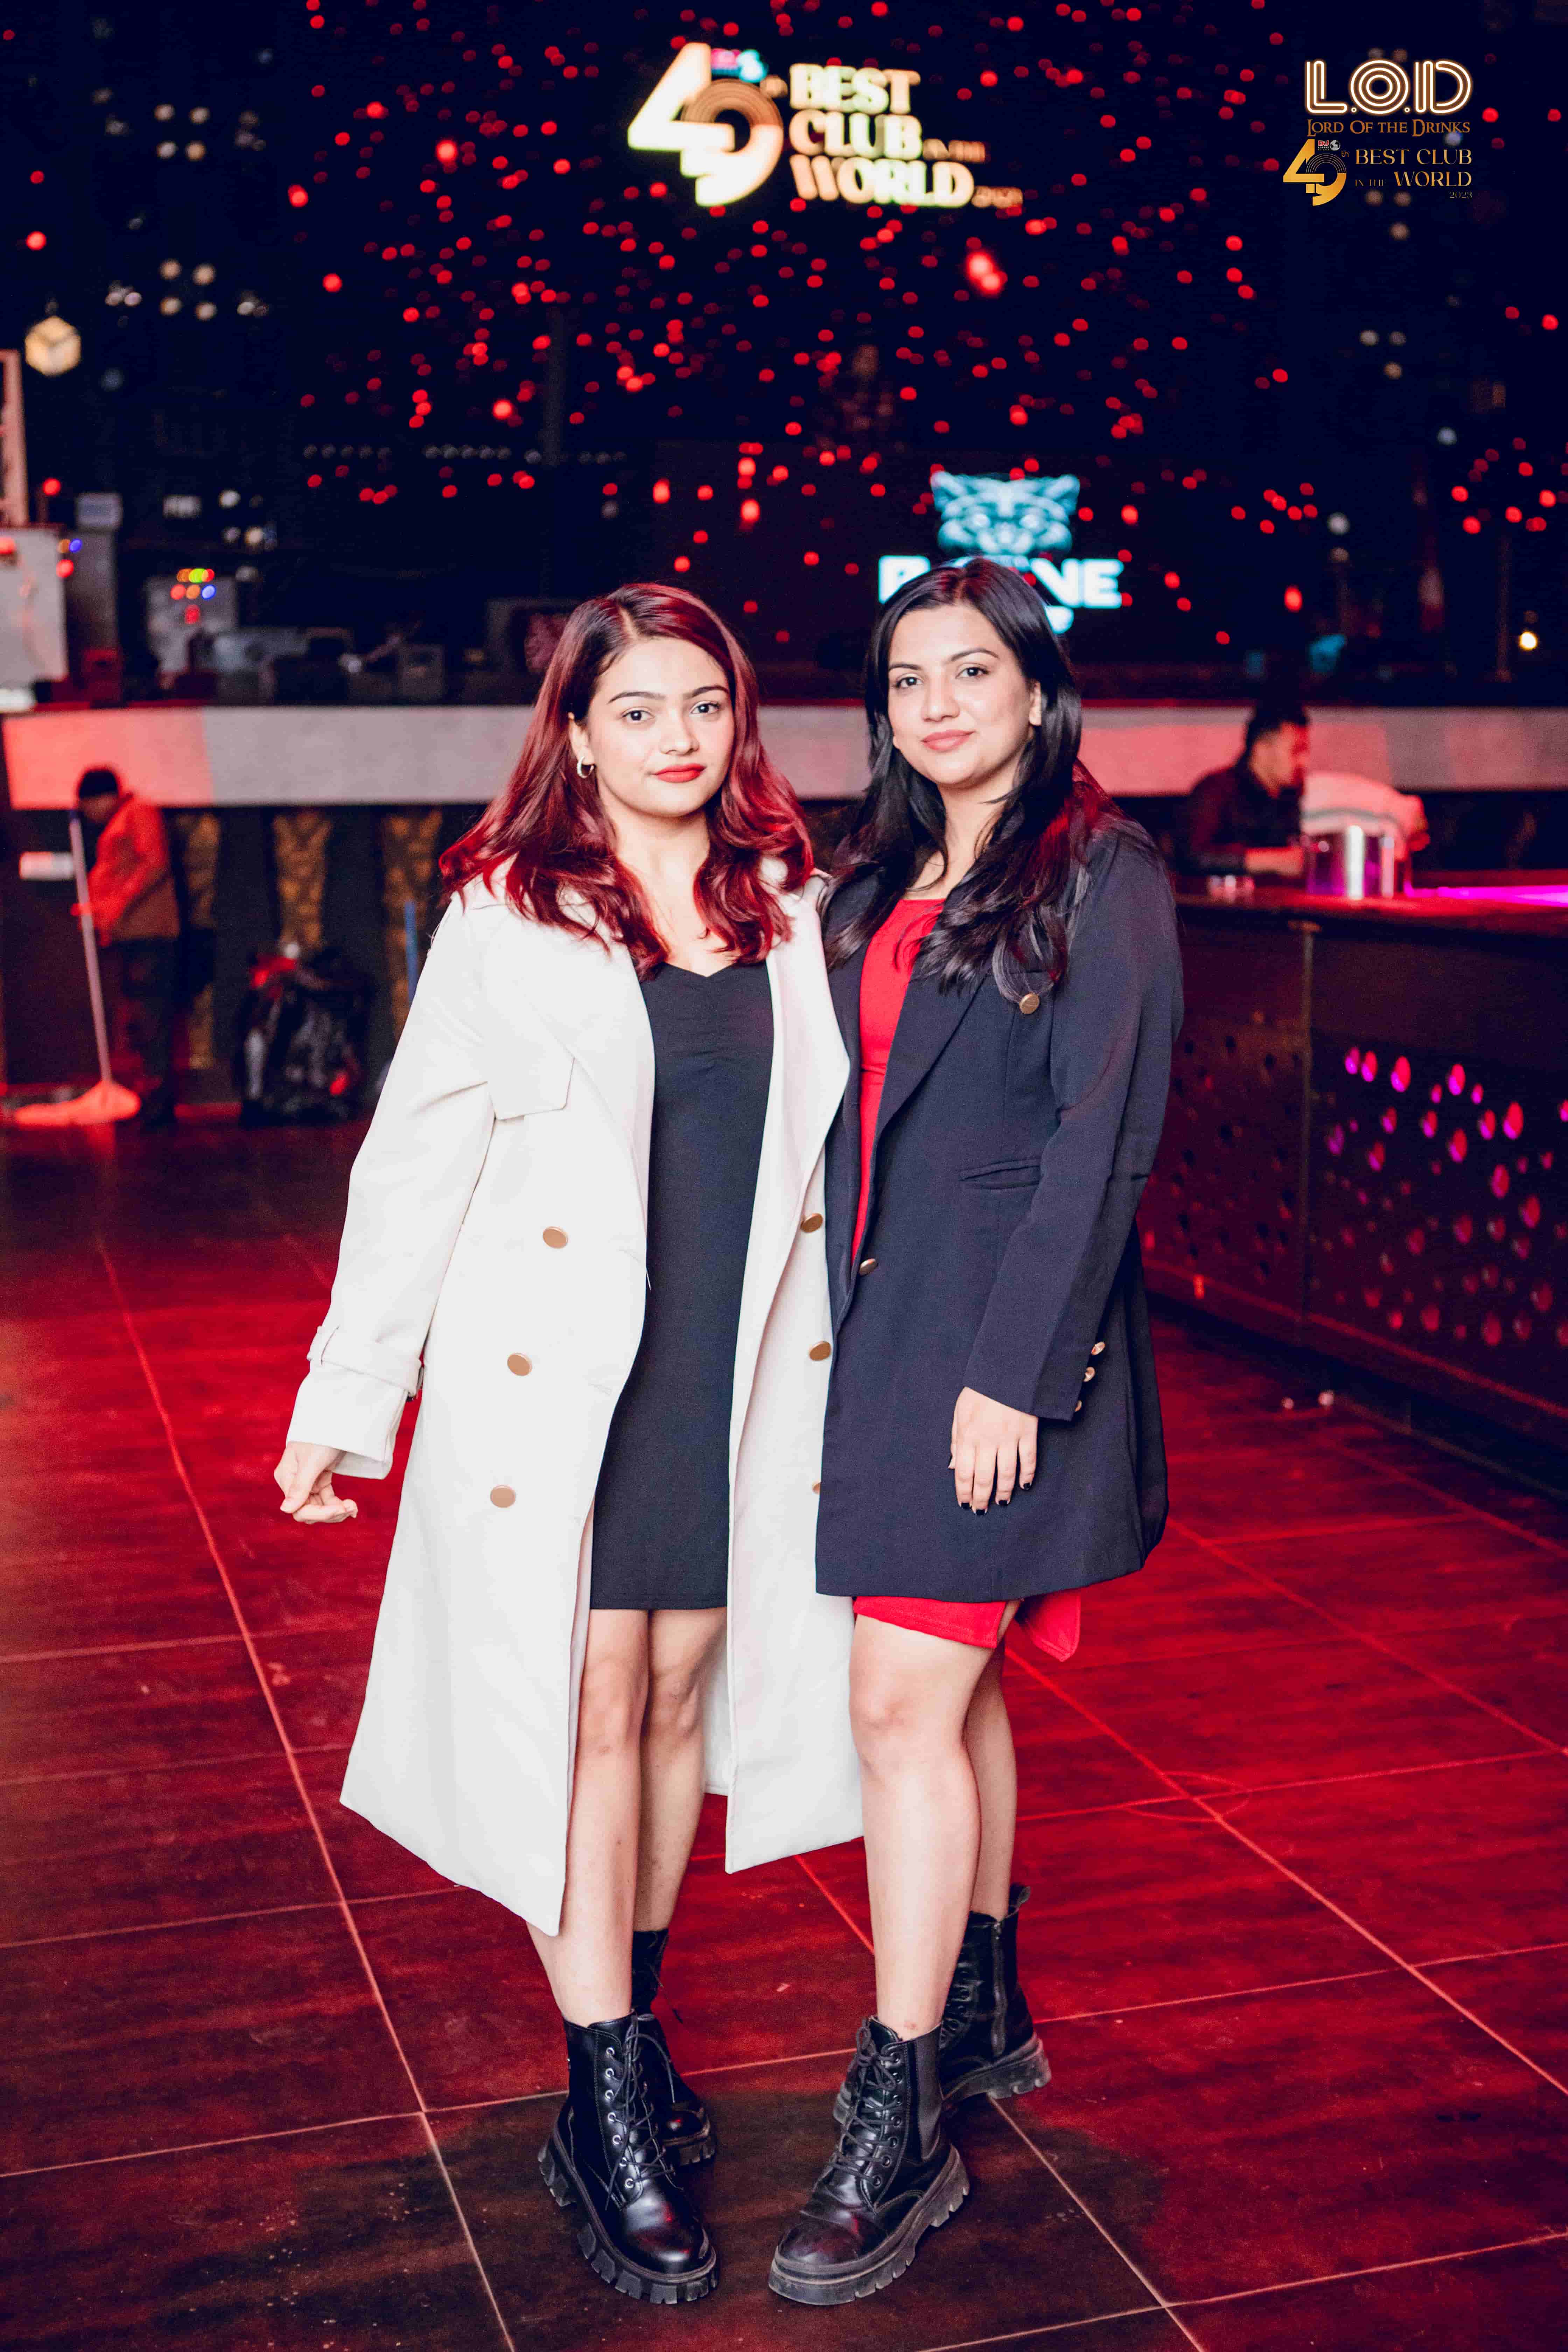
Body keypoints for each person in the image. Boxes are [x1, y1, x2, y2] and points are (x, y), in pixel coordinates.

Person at [272, 583, 858, 2308]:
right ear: (579, 738)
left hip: (732, 1369)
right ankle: (601, 2096)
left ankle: (634, 2019)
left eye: (705, 706)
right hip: (563, 1380)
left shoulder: (787, 900)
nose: (678, 739)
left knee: (678, 1698)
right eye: (639, 711)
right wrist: (348, 1395)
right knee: (588, 1709)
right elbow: (413, 1162)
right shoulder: (508, 910)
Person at [768, 559, 1182, 2306]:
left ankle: (899, 2108)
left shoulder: (1100, 870)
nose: (934, 705)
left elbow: (1100, 1142)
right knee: (952, 1686)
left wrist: (1013, 1373)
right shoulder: (873, 872)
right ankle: (984, 1991)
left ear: (1033, 688)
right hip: (877, 1330)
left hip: (995, 1348)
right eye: (905, 678)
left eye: (969, 671)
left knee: (896, 1703)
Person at [76, 765, 181, 1127]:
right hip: (133, 935)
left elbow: (154, 862)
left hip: (148, 935)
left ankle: (158, 1103)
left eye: (88, 806)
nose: (88, 814)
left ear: (101, 798)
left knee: (151, 1016)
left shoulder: (138, 813)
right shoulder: (125, 819)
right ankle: (150, 1098)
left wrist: (116, 904)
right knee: (141, 1018)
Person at [1177, 696, 1310, 878]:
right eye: (1296, 751)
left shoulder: (1289, 795)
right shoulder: (1215, 790)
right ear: (1262, 750)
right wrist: (1274, 861)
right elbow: (1192, 856)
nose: (1304, 762)